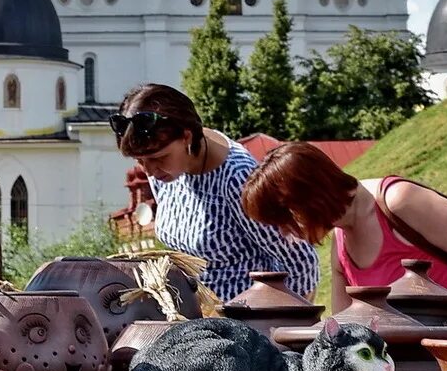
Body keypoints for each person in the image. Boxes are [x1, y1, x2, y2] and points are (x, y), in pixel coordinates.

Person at [241, 142, 447, 341]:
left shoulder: (399, 201)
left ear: (309, 196)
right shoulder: (340, 243)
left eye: (285, 218)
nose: (286, 231)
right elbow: (347, 338)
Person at [111, 83, 319, 303]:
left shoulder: (238, 179)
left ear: (187, 137)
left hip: (245, 322)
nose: (150, 171)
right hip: (194, 317)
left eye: (158, 158)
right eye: (140, 161)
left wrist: (284, 326)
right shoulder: (166, 170)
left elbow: (301, 263)